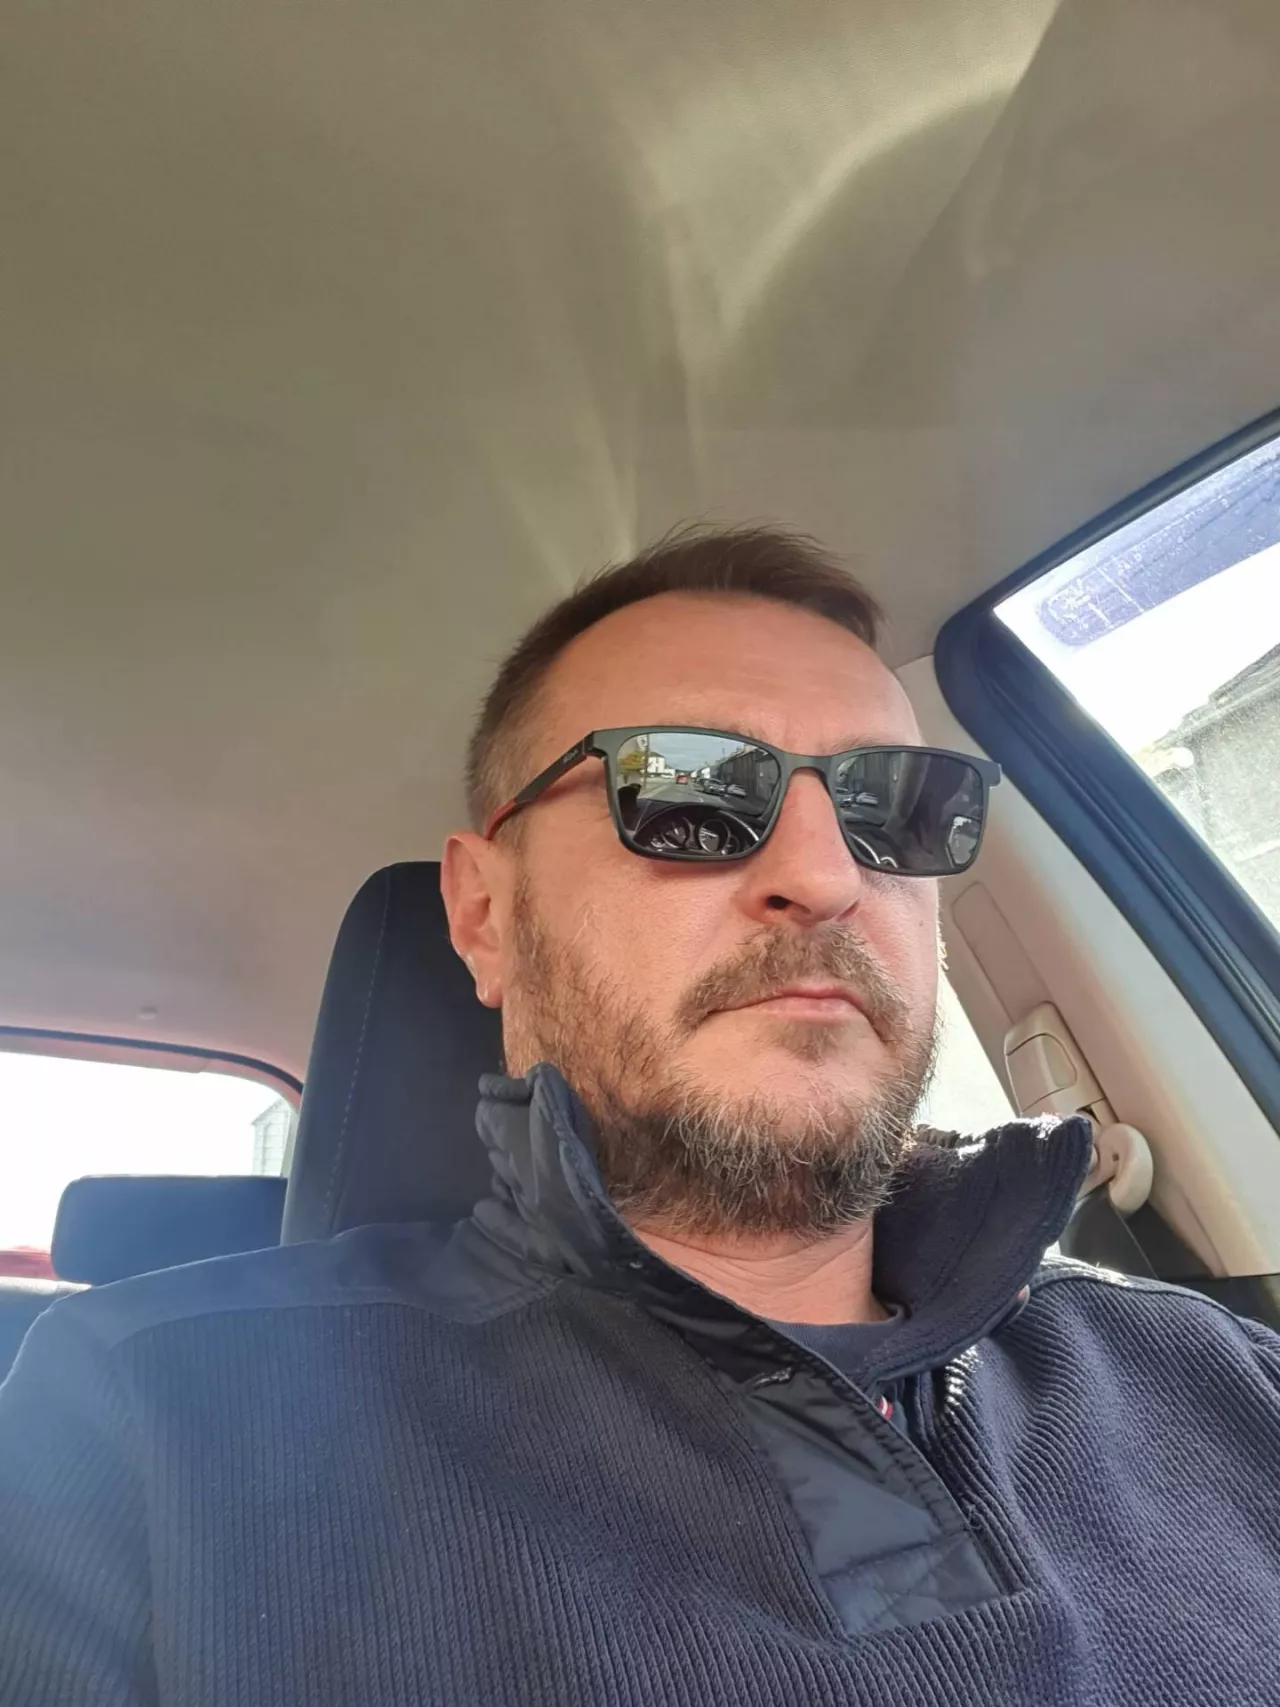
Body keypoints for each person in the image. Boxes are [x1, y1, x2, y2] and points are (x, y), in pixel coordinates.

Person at [2, 525, 1279, 1706]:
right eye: (688, 793)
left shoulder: (1216, 1375)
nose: (824, 875)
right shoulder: (136, 1431)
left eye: (891, 807)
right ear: (484, 915)